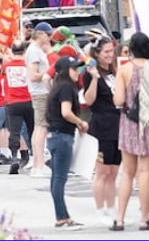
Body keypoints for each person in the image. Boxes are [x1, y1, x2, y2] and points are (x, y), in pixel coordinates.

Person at [112, 32, 149, 231]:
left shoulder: (124, 70)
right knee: (145, 172)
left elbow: (118, 101)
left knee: (127, 172)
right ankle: (145, 219)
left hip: (129, 122)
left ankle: (120, 219)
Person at [47, 56, 88, 230]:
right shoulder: (66, 87)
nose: (77, 72)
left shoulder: (57, 87)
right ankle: (62, 218)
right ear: (65, 71)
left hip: (54, 135)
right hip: (62, 135)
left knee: (56, 177)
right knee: (60, 178)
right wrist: (80, 122)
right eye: (73, 69)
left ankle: (62, 216)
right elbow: (66, 112)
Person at [83, 35, 121, 224]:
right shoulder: (90, 72)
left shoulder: (115, 71)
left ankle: (112, 209)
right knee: (102, 172)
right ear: (97, 53)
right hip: (101, 127)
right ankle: (100, 211)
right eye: (106, 52)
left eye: (111, 51)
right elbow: (88, 100)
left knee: (114, 172)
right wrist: (95, 79)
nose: (110, 55)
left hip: (119, 126)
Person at [26, 21, 53, 178]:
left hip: (39, 92)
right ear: (41, 34)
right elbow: (33, 75)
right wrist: (49, 73)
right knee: (41, 128)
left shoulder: (35, 50)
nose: (49, 38)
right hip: (41, 92)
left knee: (39, 128)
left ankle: (37, 163)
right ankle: (39, 165)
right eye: (48, 35)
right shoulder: (35, 51)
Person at [3, 40, 34, 174]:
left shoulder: (6, 66)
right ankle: (34, 157)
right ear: (24, 50)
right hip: (29, 100)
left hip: (13, 102)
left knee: (14, 131)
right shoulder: (28, 65)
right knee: (33, 129)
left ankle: (15, 157)